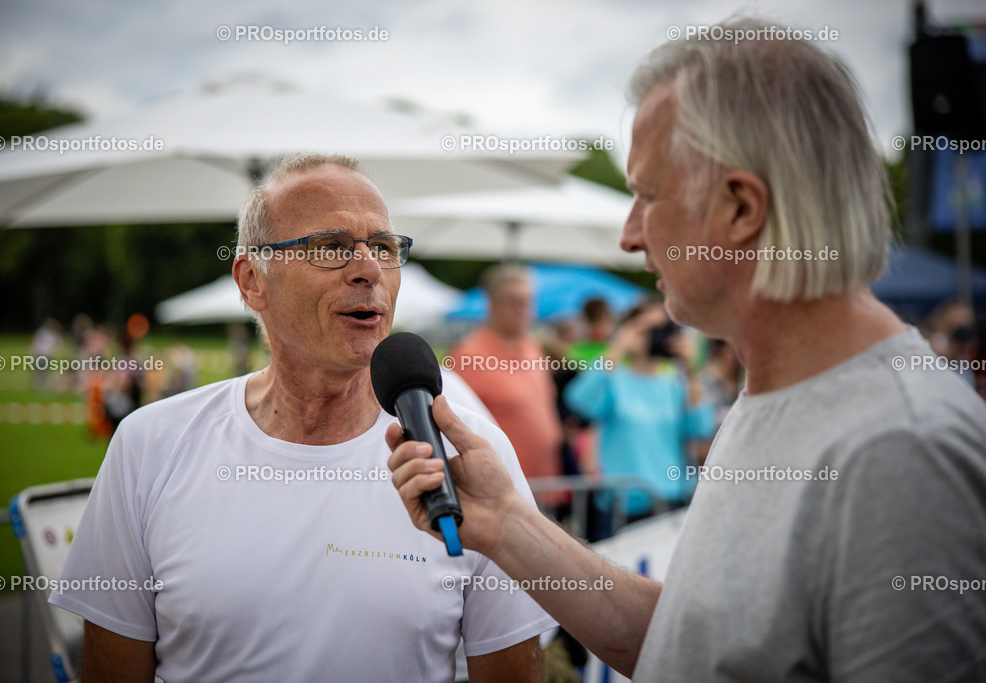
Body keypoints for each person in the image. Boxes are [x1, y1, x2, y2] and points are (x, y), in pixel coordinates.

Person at [387, 18, 986, 682]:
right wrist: (505, 524)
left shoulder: (900, 448)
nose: (629, 234)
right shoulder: (785, 392)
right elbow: (690, 642)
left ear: (738, 208)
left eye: (646, 194)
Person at [49, 153, 555, 681]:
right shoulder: (149, 446)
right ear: (252, 282)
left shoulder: (472, 459)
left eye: (383, 247)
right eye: (332, 248)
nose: (368, 271)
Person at [564, 300, 715, 533]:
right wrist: (617, 348)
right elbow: (579, 401)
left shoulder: (675, 385)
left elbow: (701, 428)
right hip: (623, 508)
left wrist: (692, 371)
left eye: (662, 329)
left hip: (671, 504)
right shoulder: (615, 380)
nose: (655, 337)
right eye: (648, 329)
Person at [450, 265, 564, 489]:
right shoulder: (468, 355)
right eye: (513, 302)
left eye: (527, 301)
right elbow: (455, 424)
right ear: (492, 303)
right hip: (502, 488)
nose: (522, 310)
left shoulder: (532, 347)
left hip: (547, 483)